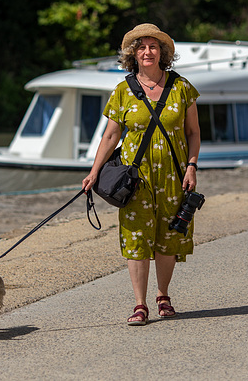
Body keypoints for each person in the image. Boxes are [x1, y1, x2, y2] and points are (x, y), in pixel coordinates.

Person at [82, 23, 201, 326]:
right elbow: (110, 137)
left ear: (163, 53)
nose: (147, 51)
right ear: (133, 54)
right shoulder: (122, 91)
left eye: (153, 46)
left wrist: (192, 165)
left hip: (174, 177)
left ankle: (163, 295)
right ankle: (140, 304)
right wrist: (94, 172)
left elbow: (193, 133)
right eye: (141, 47)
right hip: (134, 181)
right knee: (136, 238)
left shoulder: (181, 87)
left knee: (168, 237)